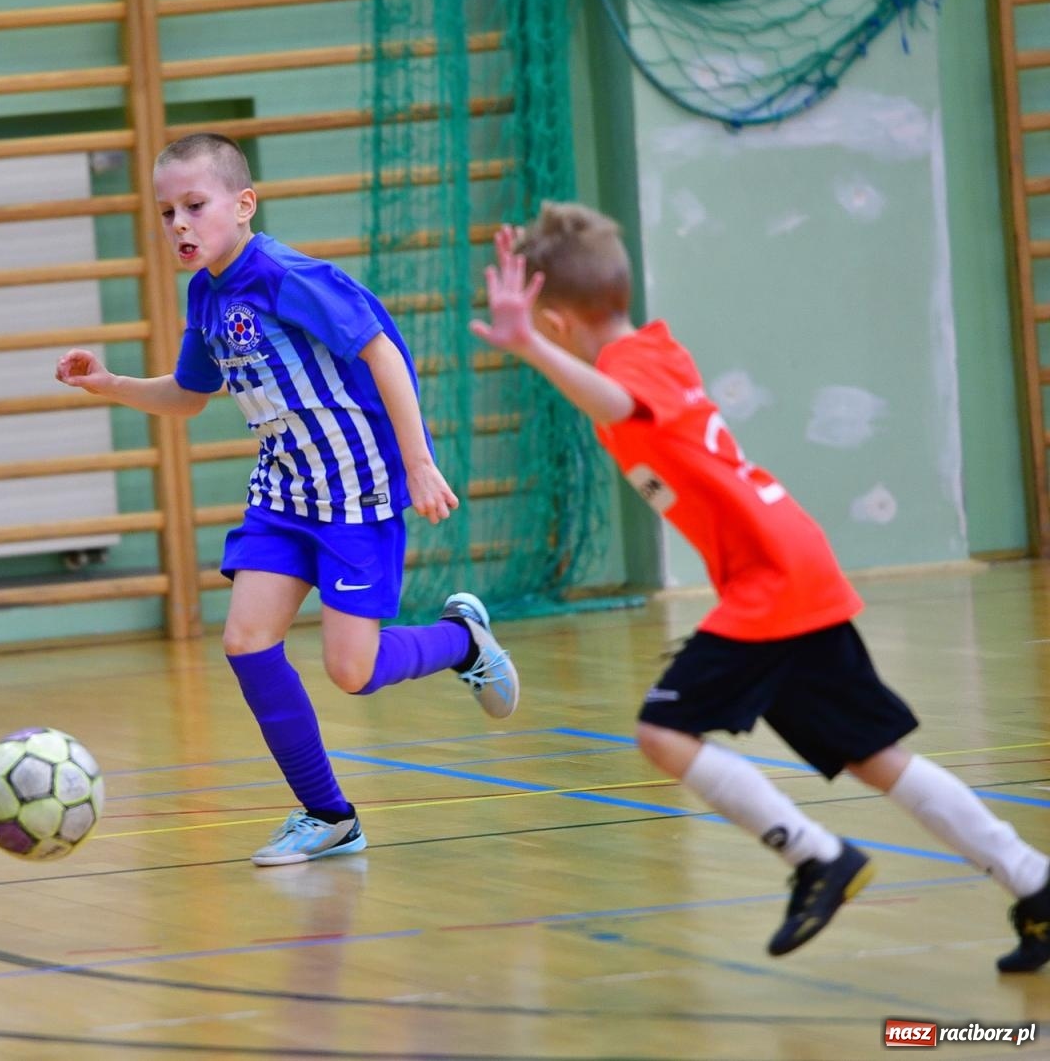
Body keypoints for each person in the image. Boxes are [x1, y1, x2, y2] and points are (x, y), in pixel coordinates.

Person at [467, 200, 1050, 971]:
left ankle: (816, 857)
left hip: (772, 581)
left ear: (555, 323)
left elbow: (616, 403)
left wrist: (529, 350)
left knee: (661, 731)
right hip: (789, 567)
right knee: (876, 757)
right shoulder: (655, 346)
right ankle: (1035, 881)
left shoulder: (629, 368)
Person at [54, 133, 519, 867]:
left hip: (356, 489)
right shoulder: (206, 295)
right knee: (244, 641)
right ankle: (328, 814)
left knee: (351, 671)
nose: (179, 224)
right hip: (283, 493)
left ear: (243, 205)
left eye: (195, 206)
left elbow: (382, 351)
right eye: (166, 211)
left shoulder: (286, 276)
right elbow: (190, 395)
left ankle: (463, 641)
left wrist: (418, 462)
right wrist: (111, 385)